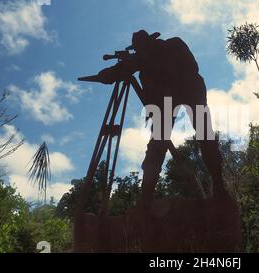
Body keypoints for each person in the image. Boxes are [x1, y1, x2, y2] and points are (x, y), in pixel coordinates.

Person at [97, 30, 226, 208]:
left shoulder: (172, 45)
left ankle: (219, 186)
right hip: (170, 99)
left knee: (204, 135)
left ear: (149, 44)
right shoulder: (142, 58)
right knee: (158, 142)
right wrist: (108, 73)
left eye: (141, 49)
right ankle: (146, 196)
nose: (140, 52)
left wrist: (138, 65)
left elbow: (192, 68)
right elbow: (115, 73)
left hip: (190, 92)